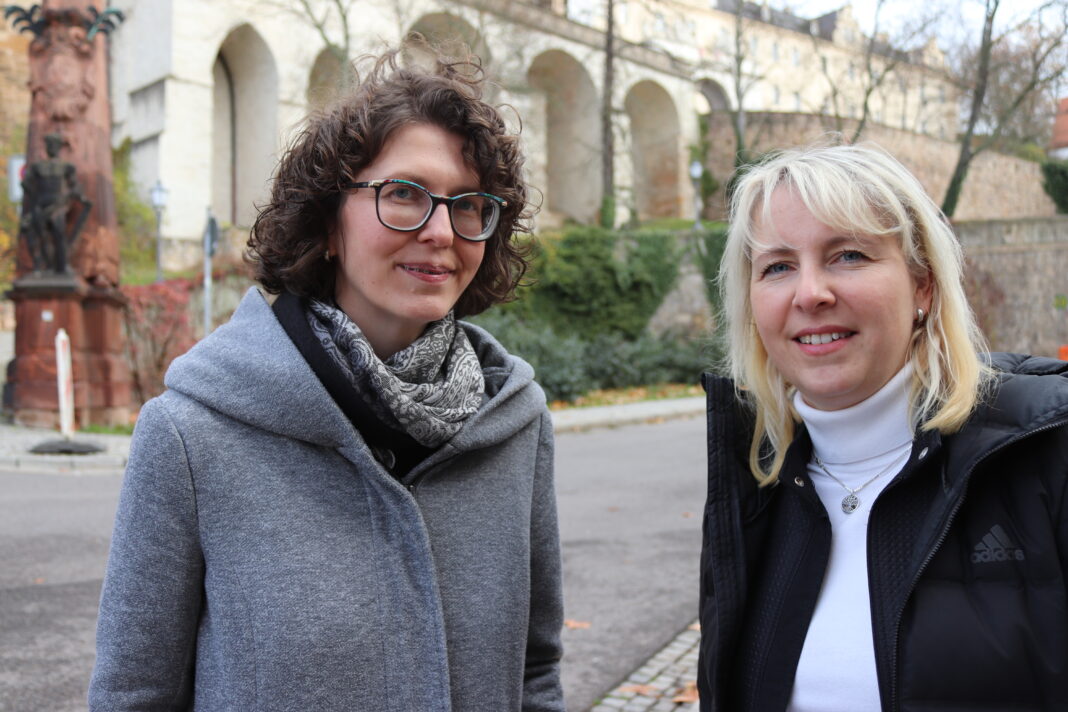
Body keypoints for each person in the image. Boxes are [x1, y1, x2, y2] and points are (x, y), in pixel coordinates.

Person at [89, 44, 564, 712]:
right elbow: (133, 693)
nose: (440, 231)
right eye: (404, 194)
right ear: (328, 223)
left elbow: (534, 671)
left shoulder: (517, 426)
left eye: (467, 204)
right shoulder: (191, 435)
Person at [698, 141, 1068, 712]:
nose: (810, 293)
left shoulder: (1046, 451)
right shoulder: (753, 489)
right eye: (777, 267)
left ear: (922, 285)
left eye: (848, 255)